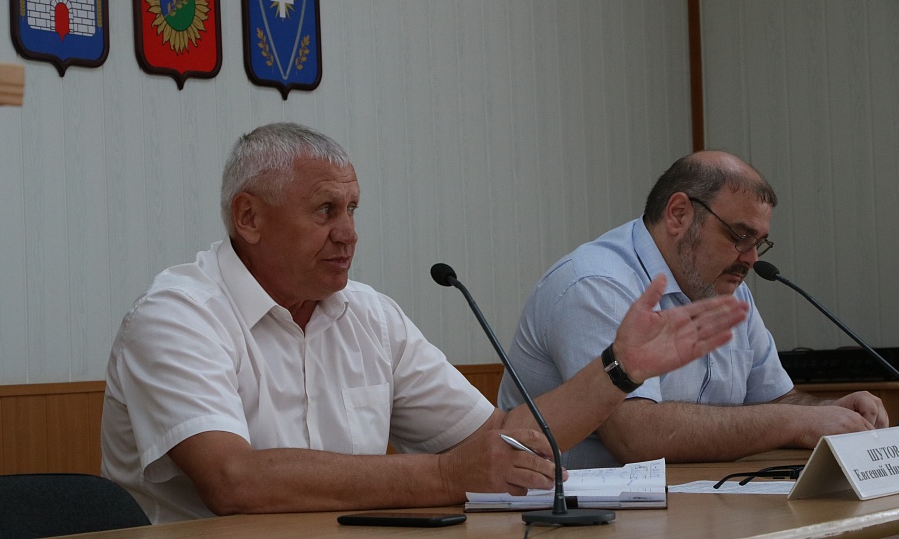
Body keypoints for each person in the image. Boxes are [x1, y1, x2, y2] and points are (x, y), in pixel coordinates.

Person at [101, 123, 749, 523]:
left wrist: (618, 369)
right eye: (325, 211)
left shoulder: (370, 315)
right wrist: (442, 477)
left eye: (353, 209)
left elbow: (501, 441)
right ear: (249, 218)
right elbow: (233, 481)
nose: (349, 234)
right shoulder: (177, 317)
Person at [498, 150, 889, 469]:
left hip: (694, 500)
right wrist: (800, 422)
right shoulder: (596, 283)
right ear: (679, 214)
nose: (751, 259)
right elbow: (637, 437)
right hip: (571, 517)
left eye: (759, 243)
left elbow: (775, 402)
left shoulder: (728, 290)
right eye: (739, 236)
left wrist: (832, 411)